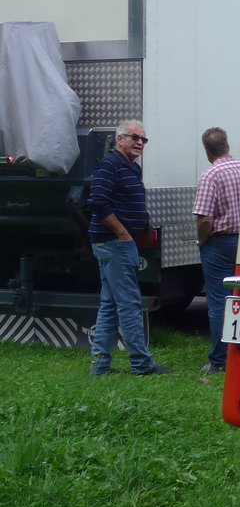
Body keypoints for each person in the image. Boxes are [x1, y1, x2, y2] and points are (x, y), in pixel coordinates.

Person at [87, 120, 170, 375]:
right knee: (130, 304)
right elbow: (97, 202)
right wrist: (123, 234)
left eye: (143, 139)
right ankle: (141, 364)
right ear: (119, 139)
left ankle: (99, 365)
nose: (139, 143)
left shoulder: (131, 167)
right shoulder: (110, 165)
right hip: (115, 244)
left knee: (110, 304)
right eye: (134, 137)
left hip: (119, 244)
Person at [194, 127, 240, 373]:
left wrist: (202, 241)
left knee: (218, 303)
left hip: (219, 244)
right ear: (228, 146)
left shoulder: (211, 175)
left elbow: (204, 219)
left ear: (207, 152)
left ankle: (219, 361)